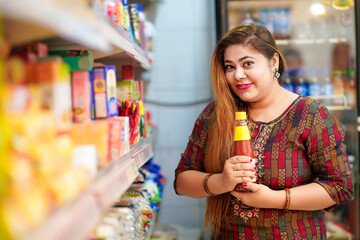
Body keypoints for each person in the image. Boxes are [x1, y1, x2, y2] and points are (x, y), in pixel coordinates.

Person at [174, 23, 353, 239]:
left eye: (247, 63)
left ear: (273, 62)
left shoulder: (311, 115)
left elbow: (339, 187)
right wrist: (221, 181)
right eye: (229, 67)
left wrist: (273, 199)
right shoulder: (215, 114)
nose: (237, 75)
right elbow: (182, 181)